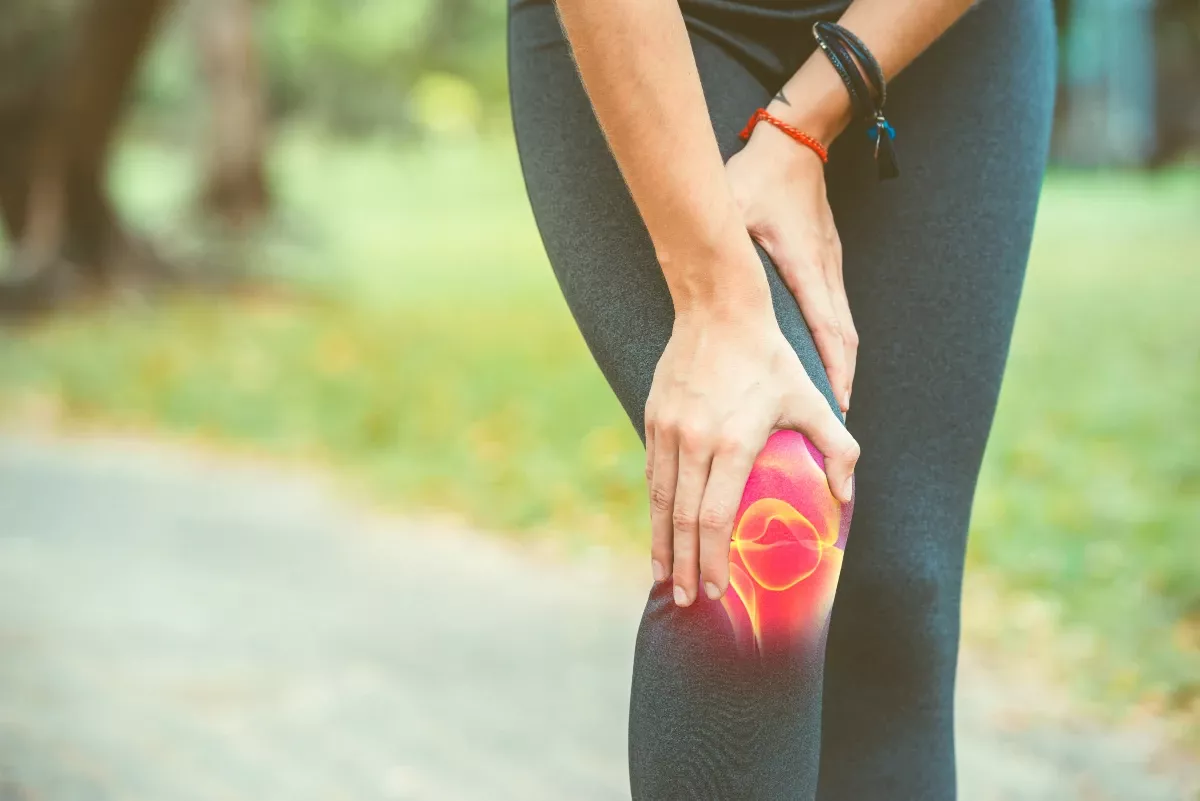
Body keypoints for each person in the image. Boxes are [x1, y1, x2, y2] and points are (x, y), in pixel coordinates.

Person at [508, 0, 1055, 797]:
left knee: (893, 590)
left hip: (933, 36)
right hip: (659, 29)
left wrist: (814, 115)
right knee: (769, 514)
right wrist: (714, 296)